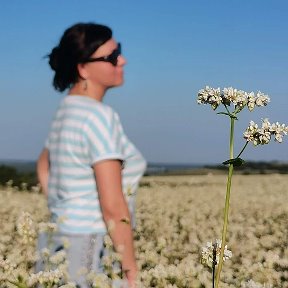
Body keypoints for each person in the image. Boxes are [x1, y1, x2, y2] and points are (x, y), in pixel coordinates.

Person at [37, 22, 146, 288]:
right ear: (83, 68)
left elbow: (43, 165)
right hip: (89, 248)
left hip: (56, 242)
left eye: (118, 50)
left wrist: (62, 209)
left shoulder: (66, 109)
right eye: (111, 56)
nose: (122, 59)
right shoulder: (99, 116)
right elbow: (113, 206)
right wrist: (131, 272)